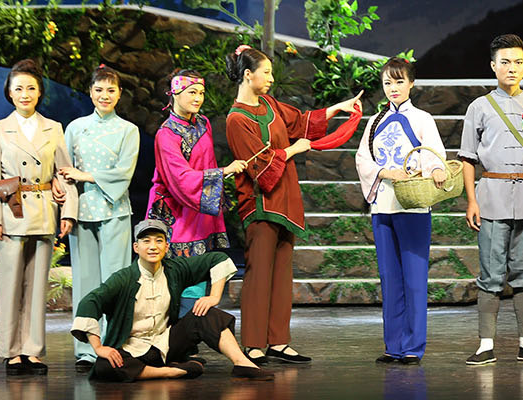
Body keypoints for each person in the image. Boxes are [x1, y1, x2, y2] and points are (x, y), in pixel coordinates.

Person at [224, 44, 363, 364]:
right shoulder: (236, 119)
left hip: (284, 199)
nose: (271, 78)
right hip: (260, 203)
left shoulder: (269, 104)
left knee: (282, 273)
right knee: (259, 275)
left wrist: (338, 108)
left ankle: (278, 341)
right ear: (248, 75)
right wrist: (294, 150)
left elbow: (300, 122)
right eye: (266, 72)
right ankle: (254, 344)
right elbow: (258, 164)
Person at [72, 219, 281, 381]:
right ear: (136, 247)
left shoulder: (175, 270)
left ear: (166, 246)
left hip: (166, 344)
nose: (153, 246)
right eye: (146, 241)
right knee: (104, 366)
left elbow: (218, 259)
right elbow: (89, 302)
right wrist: (98, 348)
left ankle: (242, 363)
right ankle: (171, 372)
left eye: (158, 241)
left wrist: (214, 296)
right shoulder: (123, 278)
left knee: (205, 313)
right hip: (132, 349)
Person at [459, 34, 523, 365]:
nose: (512, 68)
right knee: (491, 273)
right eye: (505, 62)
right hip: (492, 198)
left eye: (518, 62)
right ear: (493, 66)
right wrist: (472, 200)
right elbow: (467, 158)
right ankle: (485, 344)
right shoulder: (479, 107)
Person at [0, 59, 77, 375]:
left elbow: (64, 172)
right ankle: (11, 351)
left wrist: (69, 211)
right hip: (11, 211)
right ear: (9, 93)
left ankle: (33, 351)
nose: (25, 94)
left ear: (39, 93)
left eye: (31, 88)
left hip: (44, 211)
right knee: (10, 286)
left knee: (37, 287)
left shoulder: (53, 127)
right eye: (19, 88)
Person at [355, 58, 449, 365]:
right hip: (382, 205)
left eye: (399, 81)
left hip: (413, 207)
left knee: (414, 278)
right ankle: (393, 345)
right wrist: (385, 172)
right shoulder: (374, 121)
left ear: (411, 84)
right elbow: (362, 159)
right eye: (387, 83)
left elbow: (434, 155)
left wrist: (436, 170)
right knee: (389, 277)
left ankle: (412, 347)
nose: (393, 88)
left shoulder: (422, 119)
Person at [59, 65, 141, 374]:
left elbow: (124, 173)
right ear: (90, 93)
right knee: (85, 282)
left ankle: (114, 344)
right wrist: (66, 206)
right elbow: (64, 172)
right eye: (99, 90)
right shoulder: (75, 127)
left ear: (119, 94)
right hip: (82, 212)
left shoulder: (128, 130)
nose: (104, 95)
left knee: (115, 281)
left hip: (115, 209)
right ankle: (86, 349)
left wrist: (84, 175)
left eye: (110, 90)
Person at [146, 69, 246, 320]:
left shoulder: (203, 123)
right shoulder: (166, 134)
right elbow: (180, 178)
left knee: (201, 271)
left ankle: (192, 330)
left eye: (201, 92)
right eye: (192, 92)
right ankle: (179, 331)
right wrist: (224, 172)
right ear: (175, 93)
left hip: (200, 206)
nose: (198, 98)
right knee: (179, 277)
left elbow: (206, 162)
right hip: (176, 211)